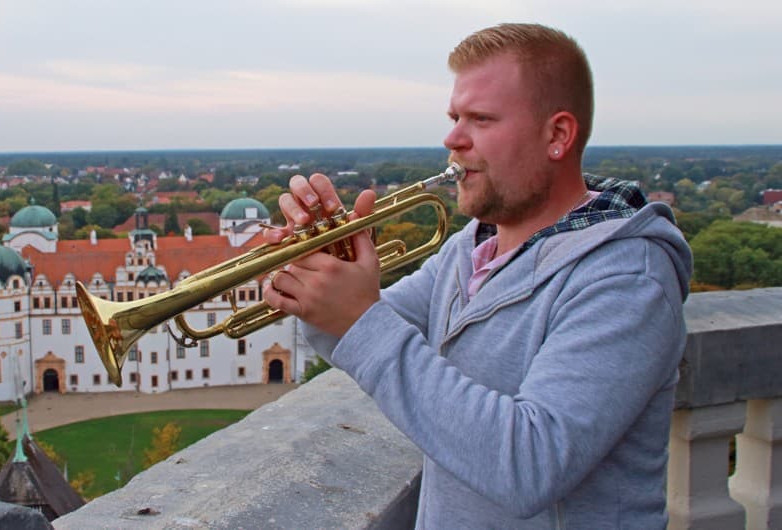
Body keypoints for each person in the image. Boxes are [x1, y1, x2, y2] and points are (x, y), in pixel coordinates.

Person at [262, 23, 692, 528]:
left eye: (481, 119)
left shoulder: (628, 277)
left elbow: (530, 466)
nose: (452, 139)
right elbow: (356, 336)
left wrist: (359, 317)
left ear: (557, 135)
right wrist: (322, 274)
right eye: (455, 117)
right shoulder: (472, 246)